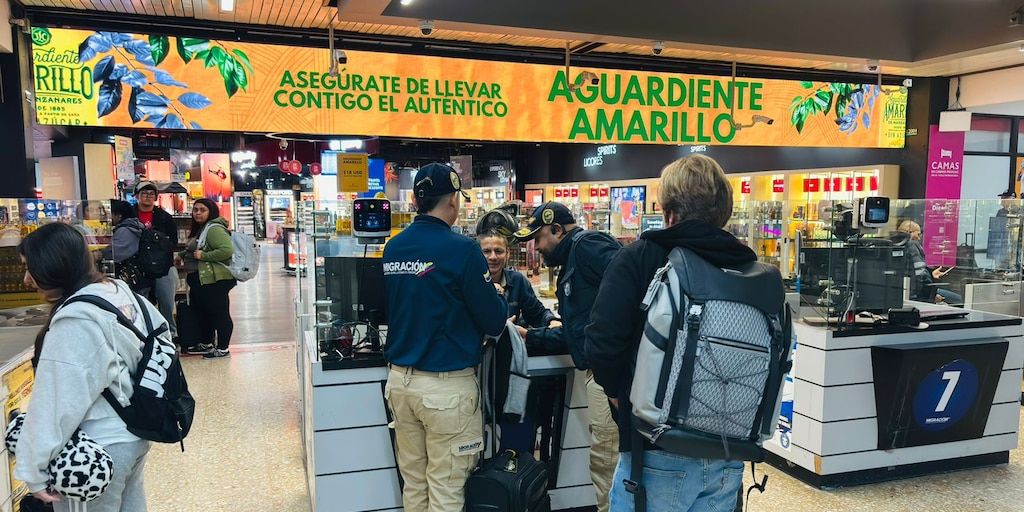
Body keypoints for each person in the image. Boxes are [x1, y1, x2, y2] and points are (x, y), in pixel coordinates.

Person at [586, 155, 759, 512]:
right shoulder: (748, 266)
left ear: (668, 212)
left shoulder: (640, 258)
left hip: (656, 450)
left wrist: (625, 402)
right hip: (729, 450)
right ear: (724, 212)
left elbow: (602, 344)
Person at [382, 163, 507, 512]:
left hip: (400, 384)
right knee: (447, 489)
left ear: (416, 200)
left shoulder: (394, 247)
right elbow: (494, 320)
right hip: (446, 391)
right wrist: (497, 296)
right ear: (453, 200)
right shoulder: (462, 249)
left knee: (415, 485)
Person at [14, 222, 156, 511]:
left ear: (54, 265)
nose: (27, 279)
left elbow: (57, 401)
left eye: (31, 268)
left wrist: (33, 469)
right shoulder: (120, 293)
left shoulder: (76, 319)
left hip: (92, 453)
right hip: (135, 434)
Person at [513, 202, 621, 512]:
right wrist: (533, 336)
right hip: (602, 373)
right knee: (605, 463)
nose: (536, 247)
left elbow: (632, 292)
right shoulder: (576, 255)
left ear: (557, 229)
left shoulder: (588, 246)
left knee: (608, 465)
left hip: (609, 376)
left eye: (539, 238)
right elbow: (580, 331)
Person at [479, 231, 560, 454]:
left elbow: (536, 311)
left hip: (512, 371)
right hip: (480, 373)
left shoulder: (517, 281)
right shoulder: (472, 281)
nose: (493, 256)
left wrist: (551, 321)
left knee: (516, 436)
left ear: (507, 254)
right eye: (486, 251)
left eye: (498, 251)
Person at [178, 198, 235, 358]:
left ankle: (223, 348)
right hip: (203, 280)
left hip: (215, 280)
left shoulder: (214, 229)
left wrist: (204, 256)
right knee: (206, 313)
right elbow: (196, 247)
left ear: (211, 212)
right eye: (195, 210)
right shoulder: (203, 228)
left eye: (202, 210)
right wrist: (182, 255)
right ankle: (207, 343)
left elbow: (226, 250)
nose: (198, 213)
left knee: (219, 313)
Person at [134, 181, 180, 343]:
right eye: (144, 193)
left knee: (166, 302)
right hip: (138, 267)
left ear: (155, 197)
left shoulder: (164, 217)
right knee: (139, 303)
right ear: (137, 196)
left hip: (163, 266)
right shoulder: (130, 215)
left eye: (151, 193)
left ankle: (170, 334)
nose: (147, 196)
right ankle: (142, 336)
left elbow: (173, 241)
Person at [895, 220, 962, 305]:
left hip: (908, 292)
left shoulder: (896, 245)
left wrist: (932, 274)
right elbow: (921, 276)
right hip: (920, 294)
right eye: (918, 234)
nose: (919, 238)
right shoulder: (912, 245)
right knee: (959, 300)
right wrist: (932, 296)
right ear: (909, 232)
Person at [101, 200, 151, 294]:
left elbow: (116, 252)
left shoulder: (126, 230)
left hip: (132, 279)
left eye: (107, 213)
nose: (104, 217)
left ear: (119, 215)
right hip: (139, 278)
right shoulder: (134, 226)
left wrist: (99, 253)